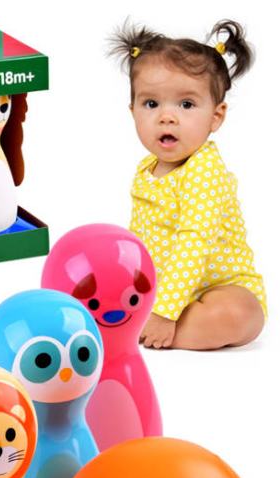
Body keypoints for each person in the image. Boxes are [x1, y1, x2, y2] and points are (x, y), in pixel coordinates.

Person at [111, 20, 266, 350]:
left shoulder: (204, 170)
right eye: (151, 104)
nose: (167, 117)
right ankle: (140, 317)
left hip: (216, 288)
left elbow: (194, 242)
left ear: (216, 116)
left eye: (186, 104)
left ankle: (151, 327)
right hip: (161, 288)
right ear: (133, 111)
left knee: (240, 314)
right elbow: (141, 235)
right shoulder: (146, 169)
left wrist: (166, 311)